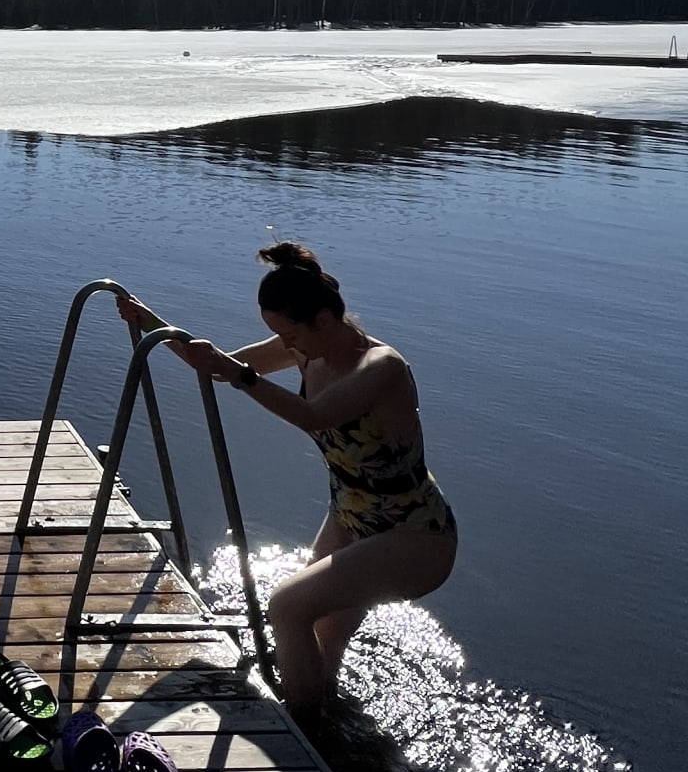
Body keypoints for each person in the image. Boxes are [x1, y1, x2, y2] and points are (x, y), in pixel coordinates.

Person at [116, 242, 456, 713]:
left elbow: (313, 415)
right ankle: (323, 724)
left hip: (415, 535)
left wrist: (244, 377)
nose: (286, 345)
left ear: (323, 319)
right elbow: (216, 365)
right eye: (279, 336)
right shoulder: (307, 350)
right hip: (352, 513)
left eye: (289, 334)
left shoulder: (382, 368)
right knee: (320, 633)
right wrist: (151, 323)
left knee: (287, 608)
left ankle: (303, 726)